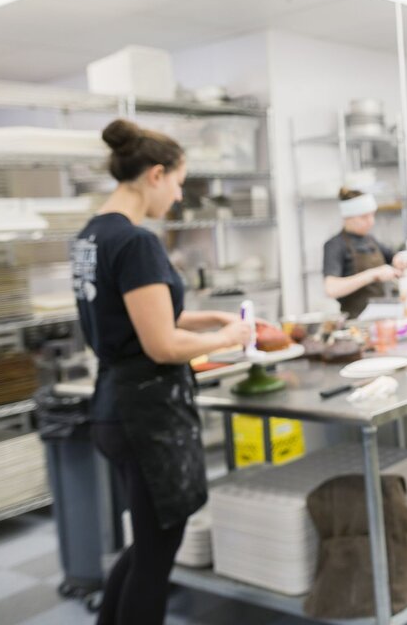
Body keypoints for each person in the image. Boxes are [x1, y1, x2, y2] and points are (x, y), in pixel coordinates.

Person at [71, 119, 253, 625]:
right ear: (155, 175)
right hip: (145, 411)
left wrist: (206, 317)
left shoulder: (91, 236)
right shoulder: (136, 242)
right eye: (177, 184)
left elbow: (131, 314)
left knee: (147, 543)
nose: (176, 198)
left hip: (113, 404)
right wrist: (228, 337)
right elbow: (162, 343)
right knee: (156, 551)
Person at [322, 188, 407, 318]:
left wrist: (399, 259)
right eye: (364, 217)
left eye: (372, 215)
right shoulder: (335, 245)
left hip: (380, 317)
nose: (371, 221)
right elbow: (331, 289)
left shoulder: (370, 240)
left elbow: (393, 256)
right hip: (355, 321)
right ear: (347, 217)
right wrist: (373, 274)